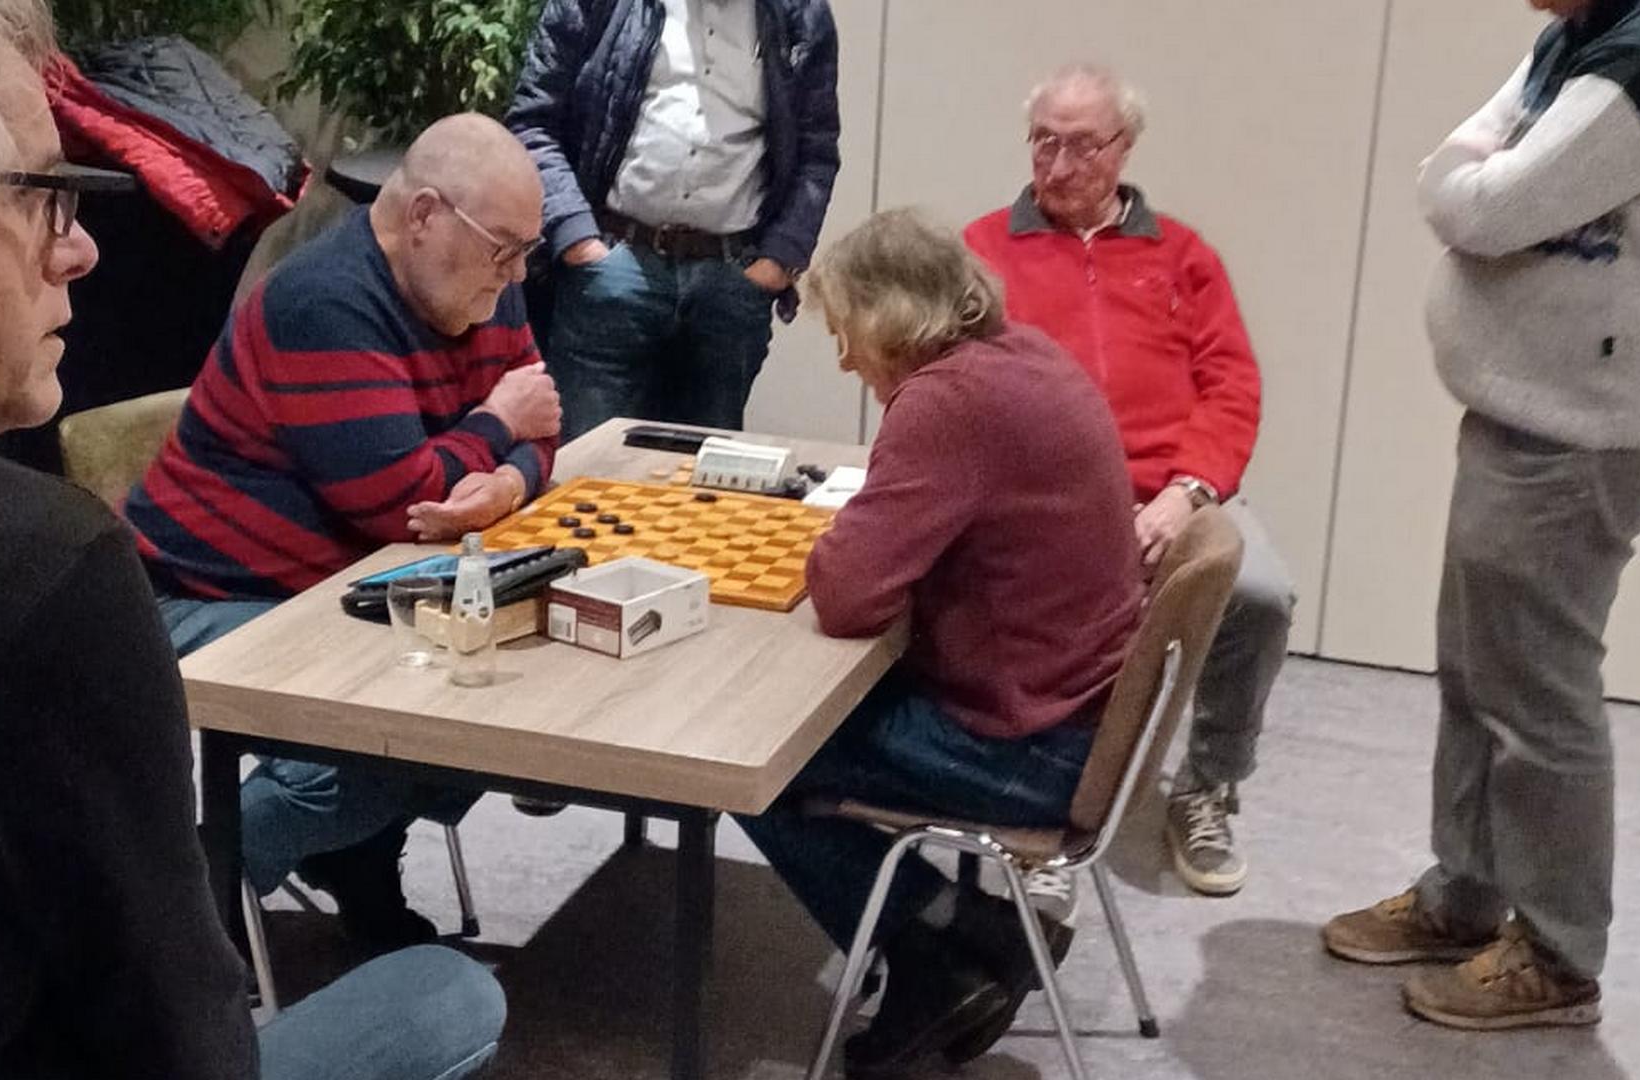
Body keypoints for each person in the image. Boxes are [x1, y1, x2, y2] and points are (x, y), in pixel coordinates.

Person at [0, 1, 505, 1077]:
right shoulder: (20, 574)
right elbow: (184, 1046)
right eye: (47, 196)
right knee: (444, 996)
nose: (82, 249)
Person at [123, 113, 560, 950]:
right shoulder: (322, 300)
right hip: (204, 593)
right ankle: (175, 926)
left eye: (524, 253)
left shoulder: (480, 283)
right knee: (379, 739)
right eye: (502, 250)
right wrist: (495, 425)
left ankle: (355, 861)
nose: (514, 277)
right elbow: (401, 504)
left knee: (495, 703)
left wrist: (505, 477)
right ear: (424, 215)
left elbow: (542, 418)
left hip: (346, 587)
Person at [735, 210, 1142, 1076]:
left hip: (1033, 749)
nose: (844, 361)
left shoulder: (948, 402)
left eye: (845, 334)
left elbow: (847, 596)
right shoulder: (1024, 355)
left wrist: (852, 539)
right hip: (1086, 716)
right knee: (788, 727)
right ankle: (977, 928)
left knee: (746, 751)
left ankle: (931, 964)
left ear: (891, 320)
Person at [1322, 0, 1640, 1031]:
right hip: (1521, 415)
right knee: (1476, 671)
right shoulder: (1573, 37)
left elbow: (1481, 208)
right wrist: (1473, 180)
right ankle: (1464, 895)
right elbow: (1452, 173)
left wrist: (1476, 182)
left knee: (1536, 696)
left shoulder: (1639, 62)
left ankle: (1556, 955)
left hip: (1577, 433)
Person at [962, 63, 1294, 906]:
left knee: (1259, 596)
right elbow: (953, 384)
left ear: (1124, 146)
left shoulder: (1181, 255)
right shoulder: (981, 251)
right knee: (1050, 612)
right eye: (1044, 142)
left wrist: (1186, 491)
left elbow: (1231, 387)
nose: (1059, 164)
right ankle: (1046, 813)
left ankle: (1207, 788)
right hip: (1045, 503)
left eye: (1082, 145)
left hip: (1177, 491)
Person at [506, 0, 842, 442]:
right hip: (611, 271)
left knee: (703, 472)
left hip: (731, 283)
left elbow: (817, 153)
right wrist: (577, 240)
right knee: (584, 459)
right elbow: (533, 123)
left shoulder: (800, 14)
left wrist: (777, 262)